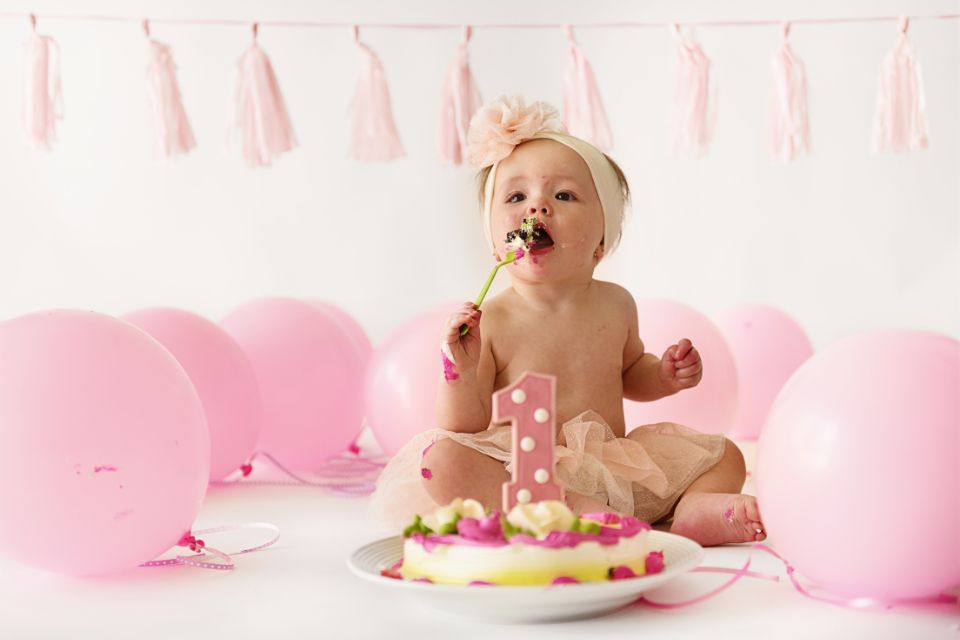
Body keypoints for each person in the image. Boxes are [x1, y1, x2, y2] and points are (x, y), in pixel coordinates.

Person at [370, 96, 764, 546]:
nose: (536, 208)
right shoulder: (492, 319)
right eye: (516, 196)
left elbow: (630, 373)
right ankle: (565, 509)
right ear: (496, 245)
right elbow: (466, 425)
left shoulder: (616, 304)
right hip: (526, 472)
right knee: (441, 460)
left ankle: (692, 512)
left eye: (563, 195)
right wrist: (457, 368)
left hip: (610, 465)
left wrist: (664, 375)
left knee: (725, 455)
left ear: (601, 242)